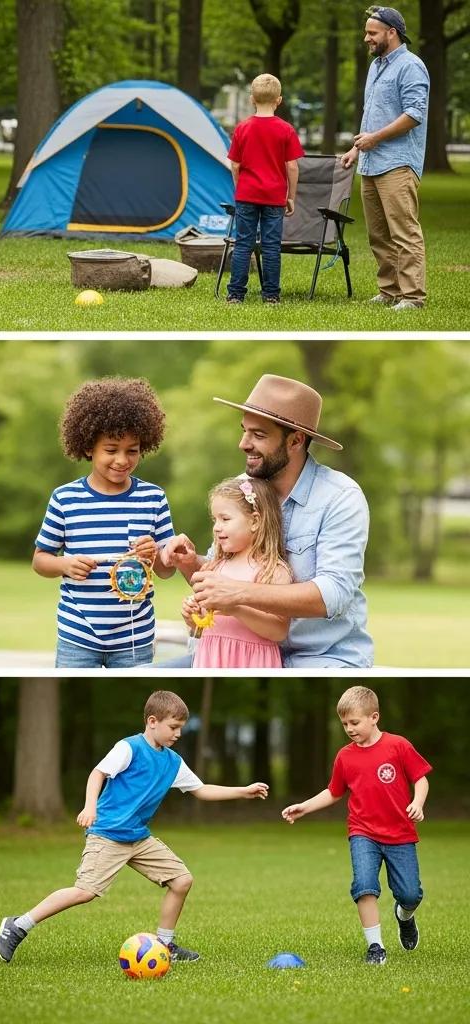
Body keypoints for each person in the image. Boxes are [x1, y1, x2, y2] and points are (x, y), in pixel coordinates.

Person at [0, 690, 268, 965]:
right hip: (108, 834)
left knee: (182, 880)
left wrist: (243, 791)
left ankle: (164, 944)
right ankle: (18, 925)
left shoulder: (172, 762)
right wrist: (90, 806)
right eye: (173, 727)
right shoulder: (130, 748)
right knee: (85, 891)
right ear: (152, 721)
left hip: (138, 838)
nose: (178, 734)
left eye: (181, 728)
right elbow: (98, 773)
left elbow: (201, 789)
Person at [163, 374, 373, 668]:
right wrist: (190, 564)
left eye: (258, 435)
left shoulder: (340, 497)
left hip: (318, 657)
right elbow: (222, 574)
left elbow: (333, 594)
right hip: (235, 654)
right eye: (244, 431)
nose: (243, 444)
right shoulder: (242, 488)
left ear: (296, 440)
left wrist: (237, 594)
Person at [33, 377, 177, 668]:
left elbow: (166, 571)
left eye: (132, 450)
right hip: (78, 634)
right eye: (111, 450)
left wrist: (155, 556)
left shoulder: (153, 498)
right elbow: (40, 560)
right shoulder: (65, 498)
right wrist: (64, 565)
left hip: (134, 637)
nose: (122, 460)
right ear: (88, 448)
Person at [282, 686, 431, 965]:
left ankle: (405, 915)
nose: (349, 729)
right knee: (364, 885)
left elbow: (421, 777)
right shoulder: (345, 757)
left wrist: (418, 803)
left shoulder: (398, 745)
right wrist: (305, 807)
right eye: (344, 724)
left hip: (400, 834)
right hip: (362, 833)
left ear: (374, 717)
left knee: (410, 894)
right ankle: (376, 947)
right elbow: (334, 791)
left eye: (355, 722)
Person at [341, 7, 429, 311]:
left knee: (403, 231)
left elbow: (414, 115)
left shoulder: (411, 66)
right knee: (378, 234)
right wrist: (357, 148)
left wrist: (375, 139)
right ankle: (390, 290)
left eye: (372, 33)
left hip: (398, 162)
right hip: (371, 162)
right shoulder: (376, 66)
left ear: (391, 33)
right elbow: (372, 115)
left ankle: (413, 296)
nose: (366, 38)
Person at [177, 476, 291, 669]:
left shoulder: (272, 571)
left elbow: (279, 631)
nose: (216, 527)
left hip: (251, 662)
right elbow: (207, 628)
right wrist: (194, 618)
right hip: (212, 658)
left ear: (255, 521)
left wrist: (236, 608)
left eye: (225, 519)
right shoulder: (213, 567)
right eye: (215, 519)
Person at [225, 73, 304, 305]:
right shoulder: (286, 129)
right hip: (274, 197)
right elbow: (292, 166)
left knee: (243, 244)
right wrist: (291, 197)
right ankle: (271, 295)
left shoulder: (242, 128)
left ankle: (235, 294)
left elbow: (235, 164)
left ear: (251, 99)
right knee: (271, 246)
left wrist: (240, 187)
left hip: (247, 196)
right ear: (279, 100)